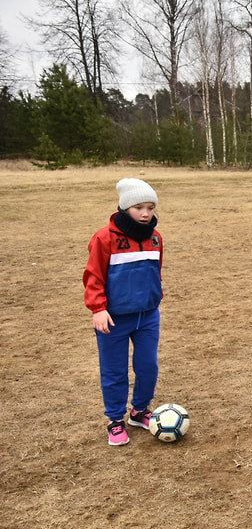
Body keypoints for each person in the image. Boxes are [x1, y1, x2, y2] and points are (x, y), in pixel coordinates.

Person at [83, 178, 164, 446]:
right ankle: (115, 420)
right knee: (115, 371)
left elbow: (155, 272)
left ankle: (139, 410)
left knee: (148, 367)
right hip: (113, 320)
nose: (145, 214)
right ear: (125, 208)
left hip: (148, 316)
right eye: (139, 207)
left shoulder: (155, 238)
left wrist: (154, 296)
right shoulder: (104, 238)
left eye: (150, 207)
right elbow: (93, 276)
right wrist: (98, 308)